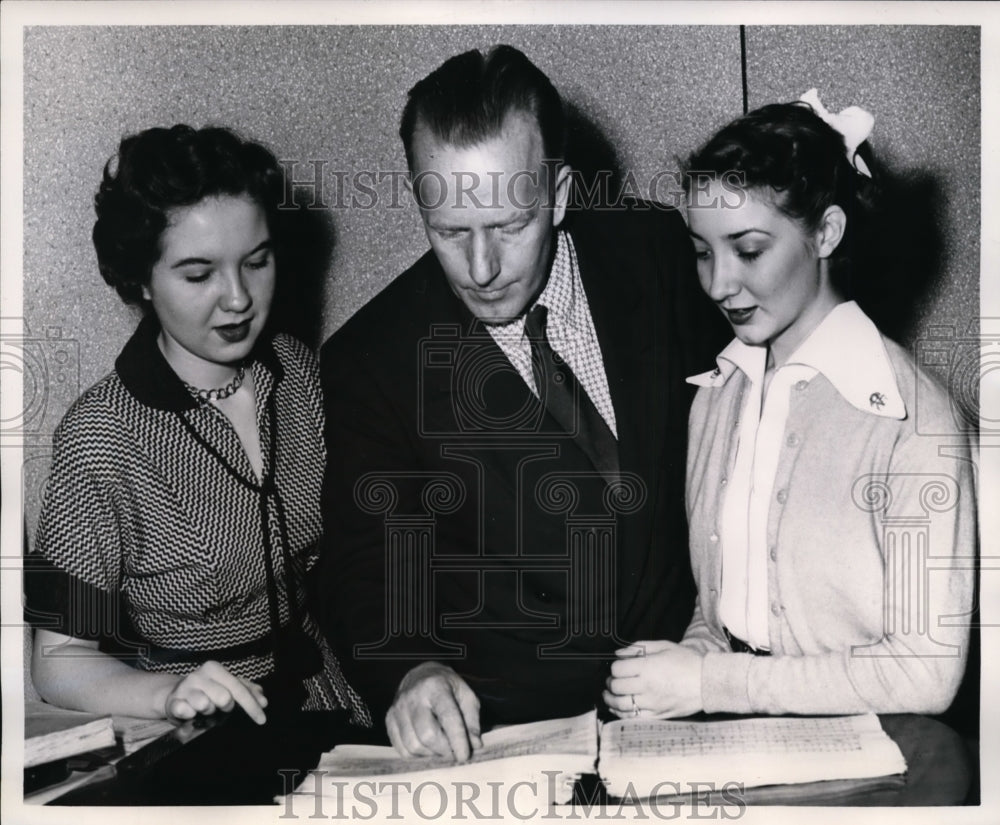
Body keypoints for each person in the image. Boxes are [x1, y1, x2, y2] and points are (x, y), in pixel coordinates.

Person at [318, 45, 724, 761]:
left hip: (700, 704)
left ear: (560, 194)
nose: (481, 269)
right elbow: (369, 557)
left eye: (508, 226)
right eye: (449, 231)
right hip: (513, 742)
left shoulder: (666, 254)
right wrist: (411, 669)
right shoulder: (370, 357)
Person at [604, 93, 976, 718]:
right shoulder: (717, 395)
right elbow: (723, 611)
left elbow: (927, 672)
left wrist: (708, 684)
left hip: (887, 756)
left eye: (747, 250)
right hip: (750, 740)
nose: (718, 284)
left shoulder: (913, 423)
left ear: (826, 233)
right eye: (702, 251)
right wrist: (683, 671)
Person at [27, 125, 369, 727]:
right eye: (197, 274)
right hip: (198, 722)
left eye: (256, 263)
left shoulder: (298, 372)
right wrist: (167, 693)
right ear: (140, 280)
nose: (238, 298)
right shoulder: (100, 437)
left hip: (331, 697)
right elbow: (59, 660)